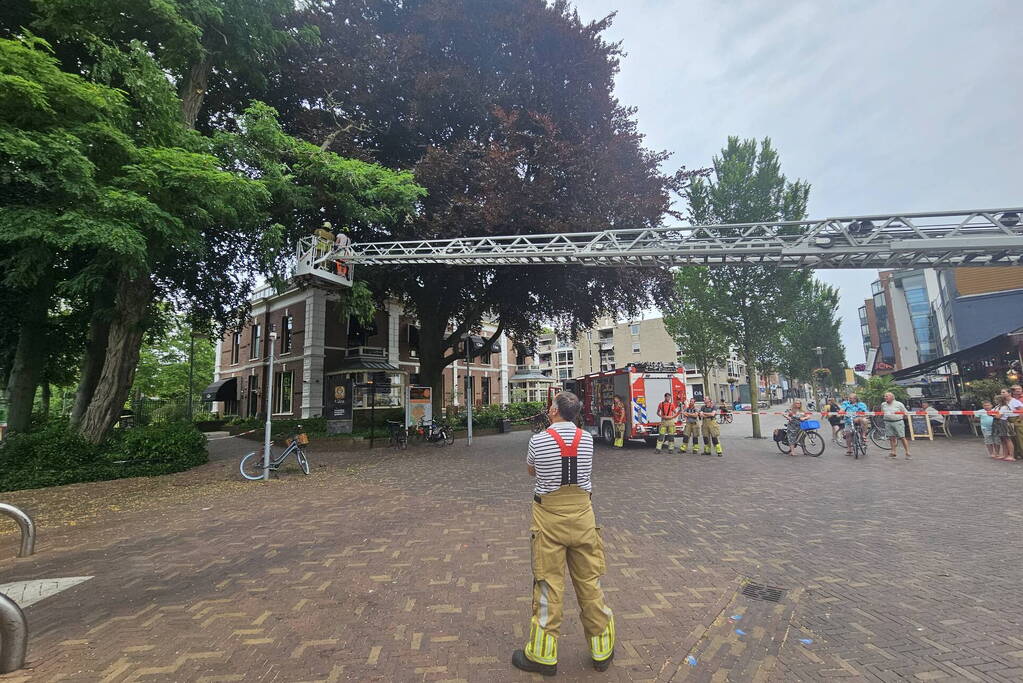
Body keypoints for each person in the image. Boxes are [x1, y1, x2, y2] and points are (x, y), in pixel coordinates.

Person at [514, 391, 614, 675]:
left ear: (555, 411)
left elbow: (532, 471)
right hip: (583, 515)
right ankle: (602, 649)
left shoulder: (538, 440)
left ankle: (543, 655)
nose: (548, 409)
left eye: (550, 406)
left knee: (549, 583)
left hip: (549, 518)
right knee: (589, 581)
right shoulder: (586, 439)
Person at [880, 392, 911, 459]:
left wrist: (904, 419)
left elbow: (905, 412)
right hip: (888, 422)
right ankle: (893, 452)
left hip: (898, 422)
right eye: (885, 396)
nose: (885, 397)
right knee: (891, 438)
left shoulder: (899, 404)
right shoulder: (883, 404)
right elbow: (882, 412)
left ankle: (907, 452)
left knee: (902, 437)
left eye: (887, 396)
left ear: (892, 397)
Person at [992, 393, 1016, 462]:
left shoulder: (1004, 407)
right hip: (997, 423)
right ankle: (1005, 454)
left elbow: (998, 416)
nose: (995, 401)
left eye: (996, 399)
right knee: (1002, 439)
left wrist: (992, 414)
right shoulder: (997, 406)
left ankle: (1011, 455)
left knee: (1007, 439)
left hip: (1003, 423)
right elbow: (991, 412)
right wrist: (993, 414)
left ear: (1000, 400)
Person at [1009, 385, 1023, 460]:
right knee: (1014, 438)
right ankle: (1017, 453)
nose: (1018, 390)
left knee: (1020, 437)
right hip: (1013, 419)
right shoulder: (1010, 399)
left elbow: (1021, 411)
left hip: (1019, 419)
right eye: (1016, 389)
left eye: (1019, 389)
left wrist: (1018, 420)